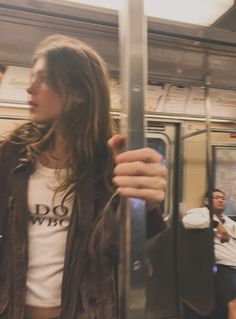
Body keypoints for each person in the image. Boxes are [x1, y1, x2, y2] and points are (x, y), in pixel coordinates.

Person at [0, 34, 167, 319]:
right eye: (31, 78)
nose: (30, 88)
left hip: (86, 310)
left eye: (44, 79)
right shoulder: (14, 153)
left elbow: (117, 252)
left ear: (79, 93)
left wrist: (142, 205)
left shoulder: (109, 161)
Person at [182, 189, 236, 319]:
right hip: (222, 265)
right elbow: (187, 222)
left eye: (222, 198)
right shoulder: (199, 213)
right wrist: (215, 224)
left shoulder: (230, 222)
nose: (221, 200)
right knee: (234, 303)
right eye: (216, 197)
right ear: (207, 201)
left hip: (234, 263)